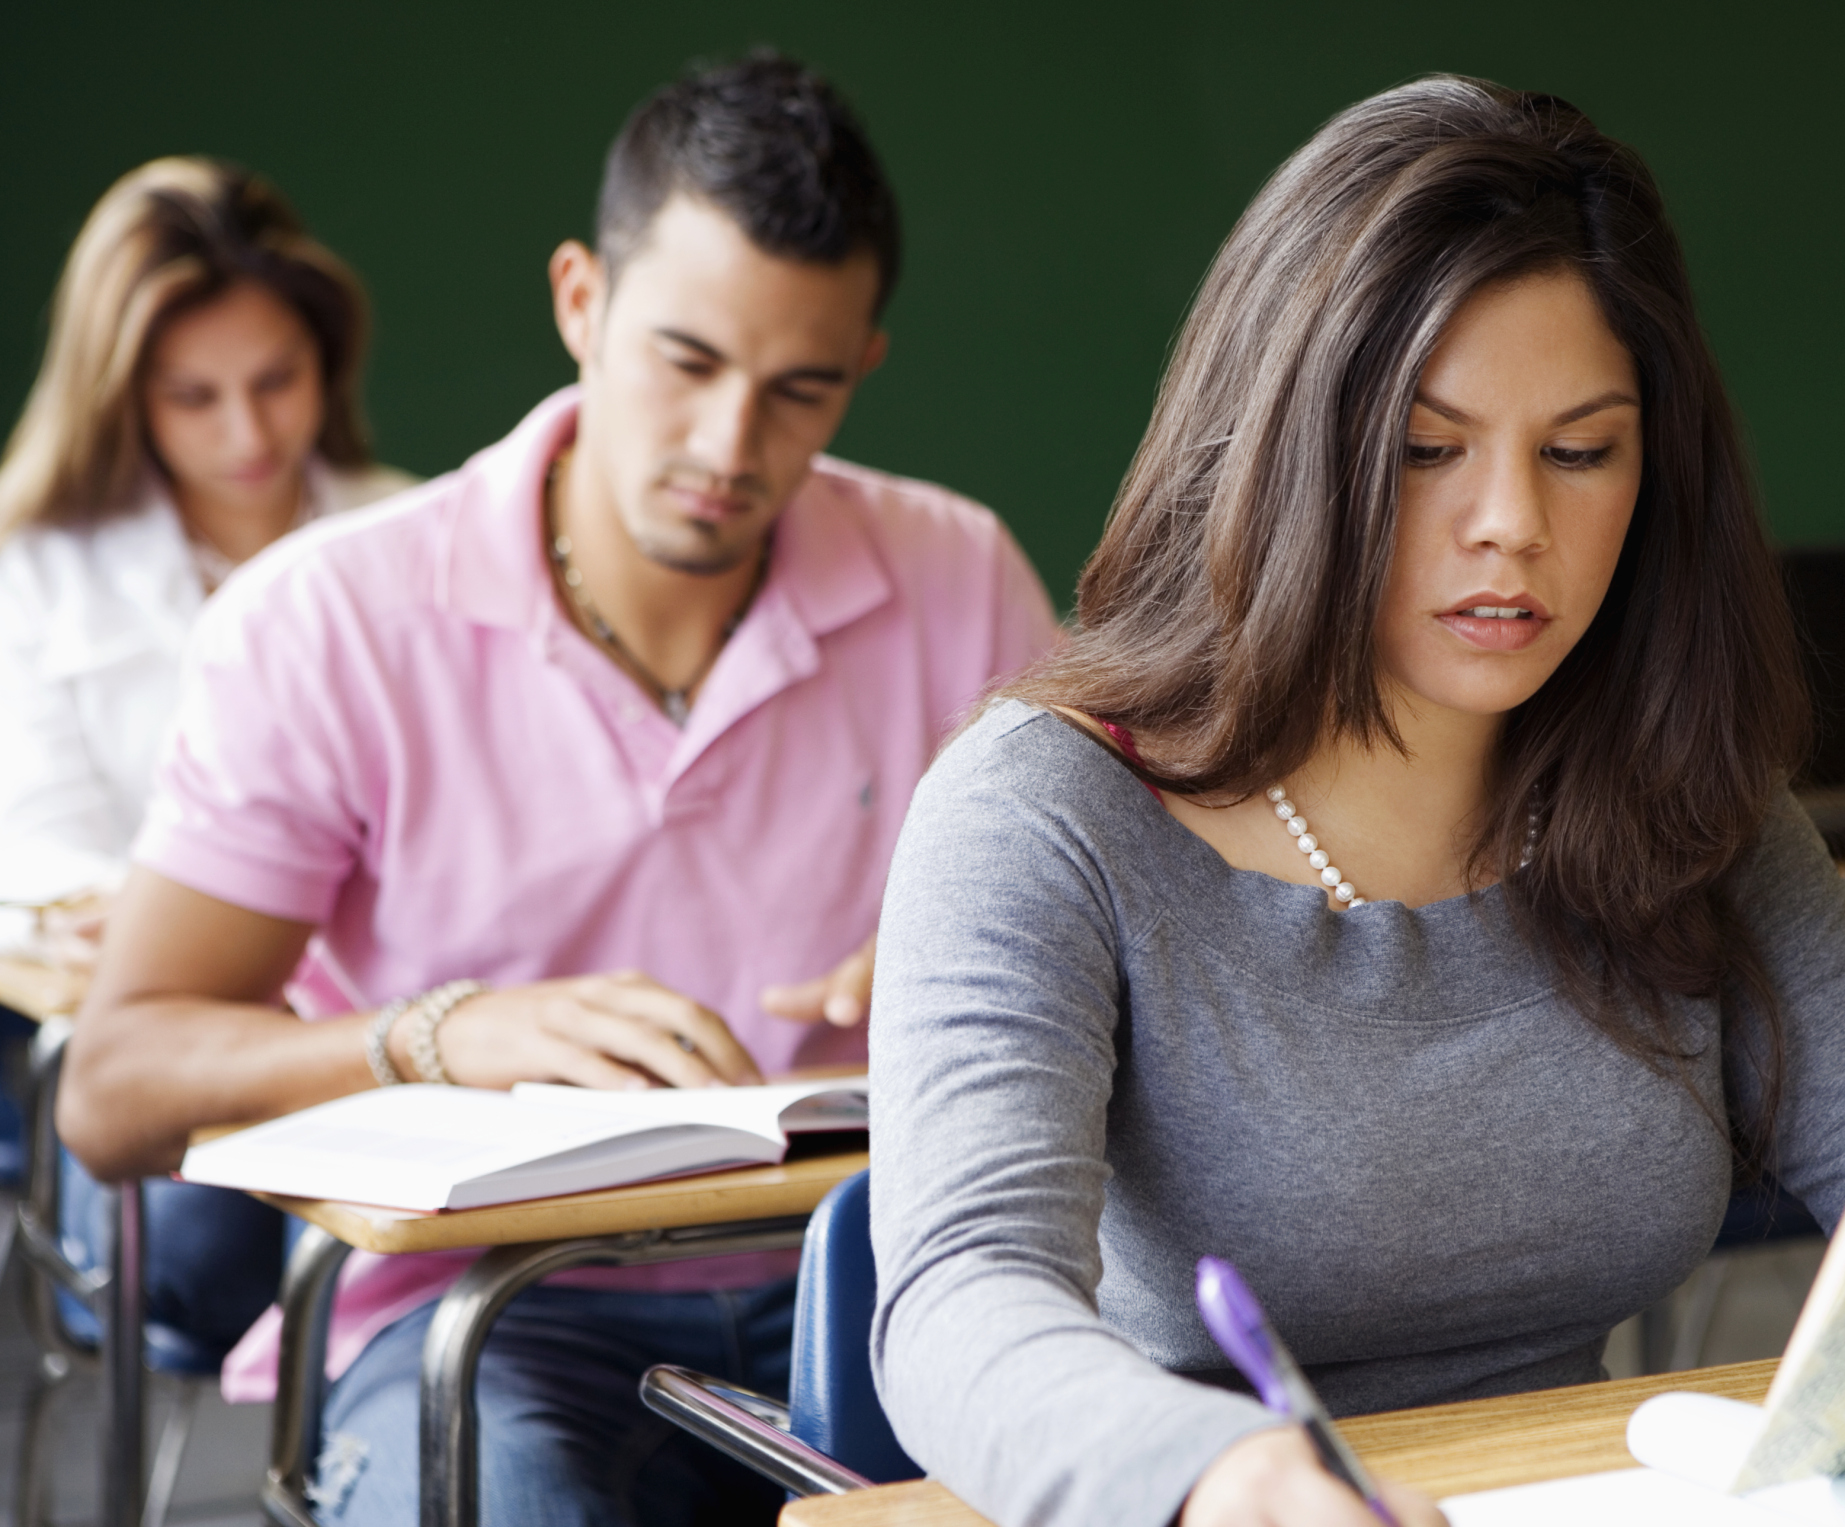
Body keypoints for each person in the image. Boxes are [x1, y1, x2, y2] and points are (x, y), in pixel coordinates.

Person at [866, 79, 1845, 1527]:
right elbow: (959, 1293)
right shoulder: (1040, 811)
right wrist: (1209, 1470)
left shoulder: (1682, 796)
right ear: (1282, 447)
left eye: (1581, 450)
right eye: (1426, 449)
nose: (1512, 518)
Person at [58, 50, 1058, 1527]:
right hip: (480, 1312)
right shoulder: (324, 618)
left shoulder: (959, 571)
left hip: (879, 1274)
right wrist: (442, 1032)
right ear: (580, 301)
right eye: (687, 360)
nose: (730, 448)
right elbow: (113, 1089)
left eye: (800, 389)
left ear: (864, 369)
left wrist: (993, 957)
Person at [0, 157, 414, 1365]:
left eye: (276, 381)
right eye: (195, 397)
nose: (248, 434)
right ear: (123, 395)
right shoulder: (31, 564)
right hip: (178, 1060)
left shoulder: (415, 532)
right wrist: (207, 923)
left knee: (515, 1249)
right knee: (214, 1248)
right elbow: (38, 846)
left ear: (327, 364)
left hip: (406, 1044)